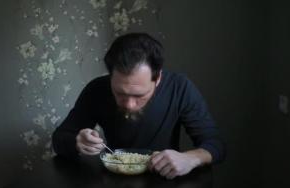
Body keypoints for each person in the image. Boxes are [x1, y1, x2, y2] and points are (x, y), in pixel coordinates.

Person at [52, 33, 225, 179]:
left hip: (166, 178)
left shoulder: (180, 88)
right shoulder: (96, 89)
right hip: (114, 178)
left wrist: (190, 158)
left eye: (139, 95)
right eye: (120, 93)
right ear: (111, 76)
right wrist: (77, 142)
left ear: (157, 79)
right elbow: (59, 138)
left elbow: (216, 144)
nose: (129, 105)